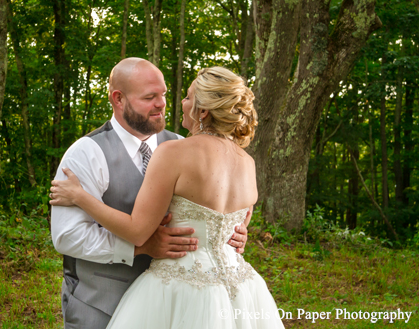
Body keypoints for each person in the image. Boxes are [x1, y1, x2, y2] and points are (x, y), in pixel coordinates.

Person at [50, 66, 284, 328]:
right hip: (236, 293)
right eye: (150, 97)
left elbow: (139, 230)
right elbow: (238, 216)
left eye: (181, 96)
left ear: (203, 111)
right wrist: (232, 234)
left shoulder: (174, 148)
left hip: (174, 293)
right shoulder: (247, 161)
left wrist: (80, 197)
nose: (164, 103)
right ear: (118, 98)